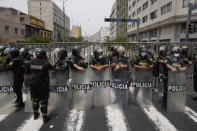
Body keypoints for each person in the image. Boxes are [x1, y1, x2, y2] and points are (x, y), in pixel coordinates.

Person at [25, 48, 53, 123]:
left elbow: (26, 73)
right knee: (43, 101)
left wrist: (27, 83)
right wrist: (47, 59)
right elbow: (52, 68)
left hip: (33, 84)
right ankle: (44, 117)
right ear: (44, 55)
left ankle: (35, 115)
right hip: (43, 85)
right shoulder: (45, 63)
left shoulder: (30, 62)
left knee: (35, 100)